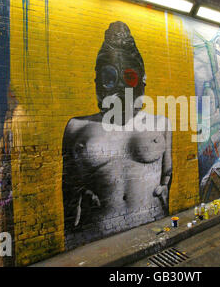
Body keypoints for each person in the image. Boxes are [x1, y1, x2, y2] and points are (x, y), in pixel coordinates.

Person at [61, 21, 172, 248]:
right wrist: (70, 234)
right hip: (96, 235)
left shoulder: (161, 124)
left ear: (141, 79)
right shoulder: (77, 128)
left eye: (128, 77)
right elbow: (69, 188)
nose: (119, 87)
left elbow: (168, 171)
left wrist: (164, 190)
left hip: (152, 227)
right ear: (99, 81)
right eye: (110, 78)